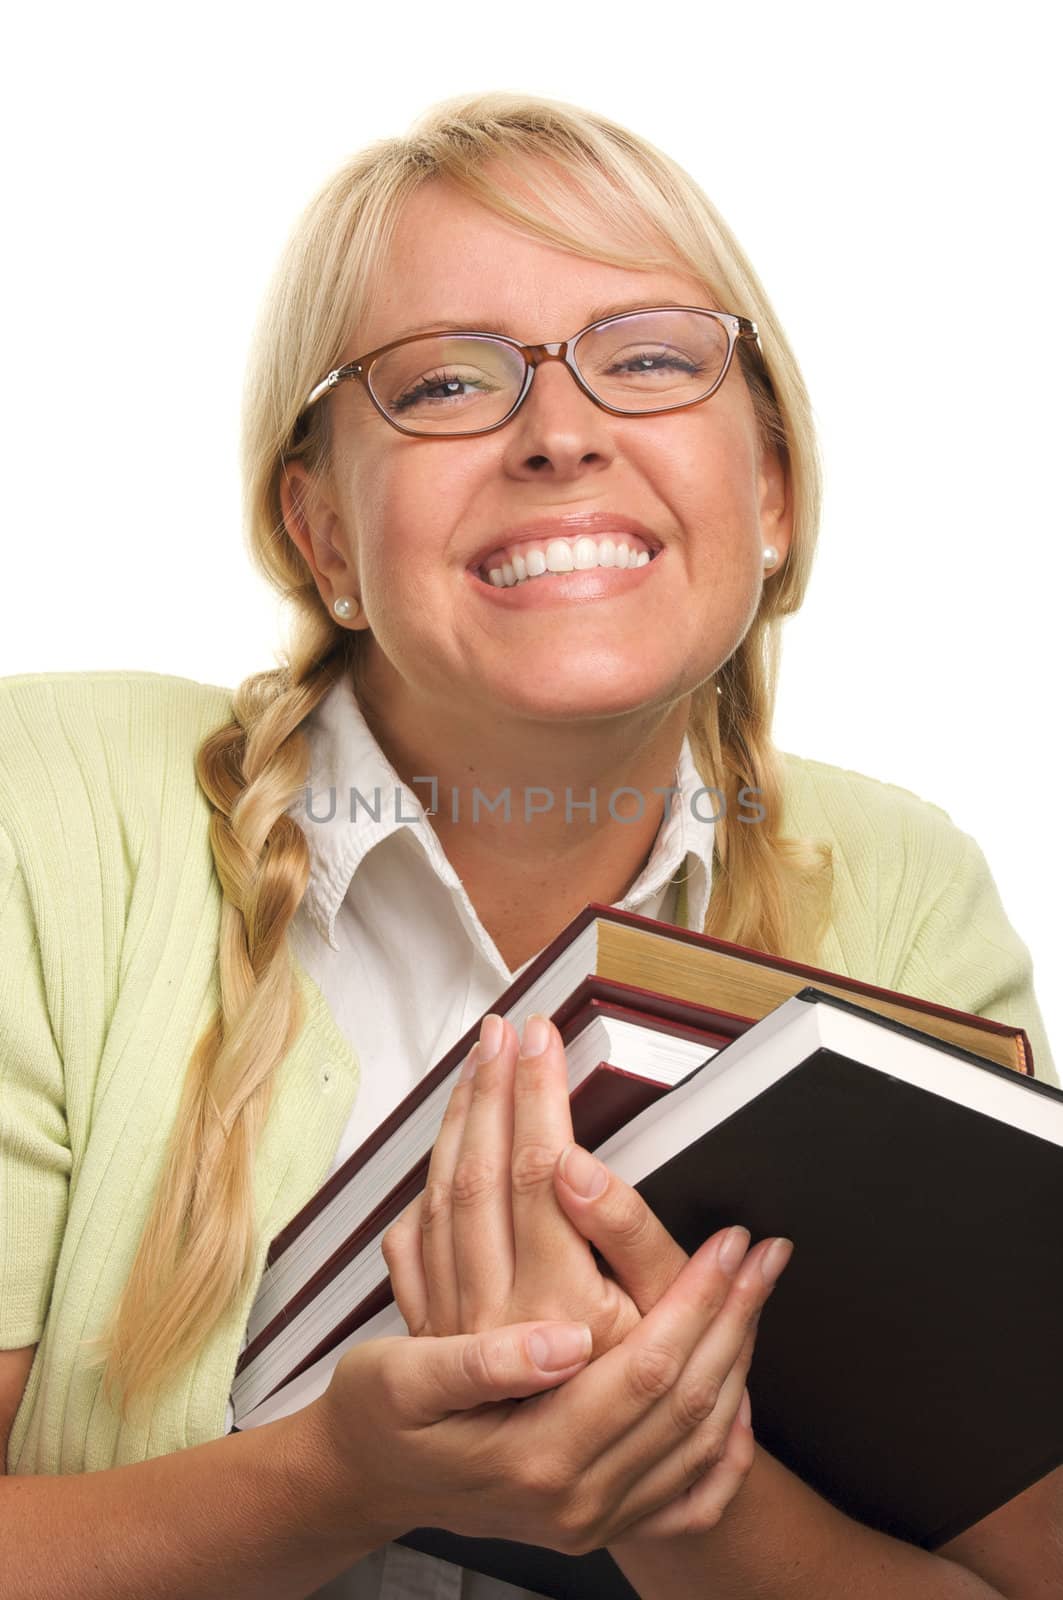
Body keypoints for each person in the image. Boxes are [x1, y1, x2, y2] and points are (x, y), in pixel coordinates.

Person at [0, 88, 1058, 1600]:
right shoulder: (48, 809)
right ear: (323, 538)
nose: (561, 434)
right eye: (442, 386)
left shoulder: (901, 886)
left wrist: (680, 1498)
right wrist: (333, 1482)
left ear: (769, 491)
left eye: (646, 359)